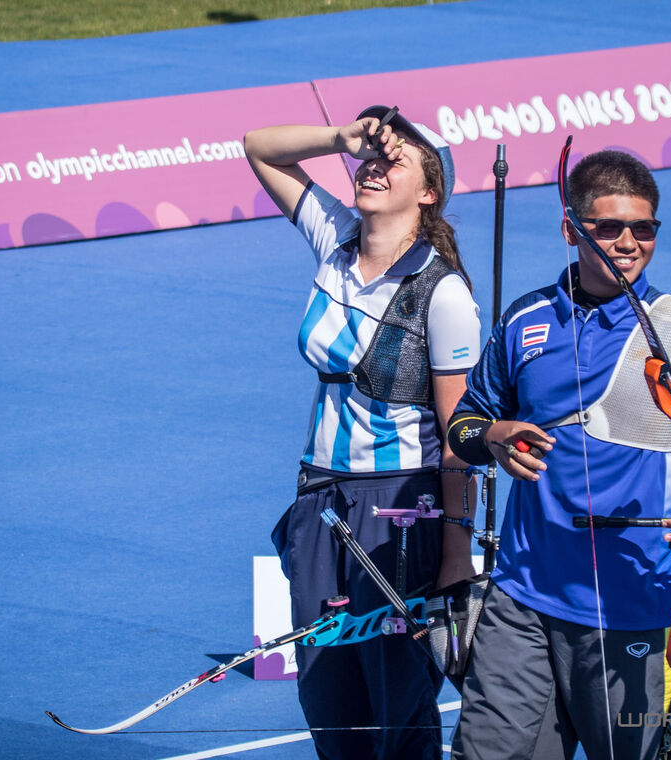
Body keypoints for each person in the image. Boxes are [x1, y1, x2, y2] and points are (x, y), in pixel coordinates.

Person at [446, 149, 671, 759]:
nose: (628, 243)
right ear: (571, 230)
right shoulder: (524, 320)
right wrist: (493, 437)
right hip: (521, 599)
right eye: (609, 228)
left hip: (635, 609)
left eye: (644, 228)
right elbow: (464, 425)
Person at [244, 107, 482, 759]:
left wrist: (456, 555)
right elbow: (259, 145)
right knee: (330, 702)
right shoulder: (337, 240)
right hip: (319, 500)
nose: (373, 167)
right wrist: (338, 138)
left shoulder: (444, 293)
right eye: (370, 158)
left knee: (397, 707)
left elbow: (459, 437)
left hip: (400, 511)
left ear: (429, 192)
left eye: (393, 161)